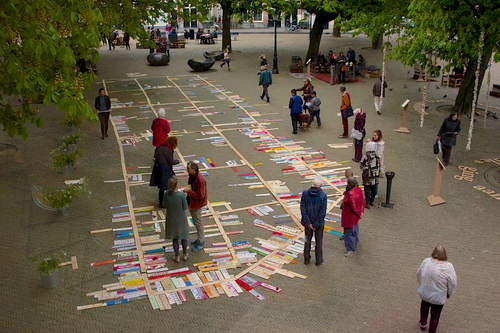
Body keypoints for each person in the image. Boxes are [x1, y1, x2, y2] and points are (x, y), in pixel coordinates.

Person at [417, 245, 457, 333]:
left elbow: (419, 273)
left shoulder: (426, 261)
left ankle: (423, 324)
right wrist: (449, 293)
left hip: (425, 293)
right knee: (435, 316)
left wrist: (422, 285)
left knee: (424, 308)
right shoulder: (449, 266)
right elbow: (452, 283)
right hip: (438, 297)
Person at [300, 177, 327, 266]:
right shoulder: (323, 195)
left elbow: (303, 209)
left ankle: (306, 259)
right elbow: (322, 212)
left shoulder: (305, 193)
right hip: (318, 224)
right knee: (318, 242)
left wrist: (308, 223)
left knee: (307, 240)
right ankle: (318, 261)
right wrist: (315, 224)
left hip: (307, 223)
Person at [164, 177, 189, 263]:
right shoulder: (181, 195)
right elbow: (185, 207)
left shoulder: (166, 194)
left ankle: (177, 256)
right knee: (183, 237)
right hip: (181, 218)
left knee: (175, 238)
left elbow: (165, 205)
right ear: (176, 185)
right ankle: (185, 254)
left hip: (171, 218)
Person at [150, 136, 179, 208]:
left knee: (162, 188)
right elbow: (171, 161)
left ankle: (160, 203)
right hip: (165, 171)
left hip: (158, 169)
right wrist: (177, 161)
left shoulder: (160, 146)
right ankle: (168, 201)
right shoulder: (169, 150)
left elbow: (155, 157)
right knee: (169, 185)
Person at [184, 161, 208, 251]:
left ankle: (201, 241)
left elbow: (200, 195)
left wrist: (188, 192)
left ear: (194, 170)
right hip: (192, 201)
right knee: (196, 221)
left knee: (198, 223)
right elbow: (190, 185)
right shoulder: (192, 176)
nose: (187, 170)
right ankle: (199, 239)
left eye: (188, 169)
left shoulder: (200, 180)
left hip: (197, 204)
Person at [341, 177, 365, 256]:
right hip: (355, 217)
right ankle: (355, 241)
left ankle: (350, 249)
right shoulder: (359, 189)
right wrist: (361, 212)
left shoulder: (350, 194)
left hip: (349, 217)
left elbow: (353, 207)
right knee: (354, 229)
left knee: (349, 233)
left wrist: (358, 213)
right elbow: (362, 201)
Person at [360, 142, 381, 208]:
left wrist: (378, 171)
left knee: (374, 191)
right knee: (367, 190)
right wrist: (366, 168)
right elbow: (361, 166)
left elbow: (379, 165)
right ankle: (367, 202)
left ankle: (371, 200)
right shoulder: (365, 156)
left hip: (375, 177)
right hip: (367, 177)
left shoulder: (377, 156)